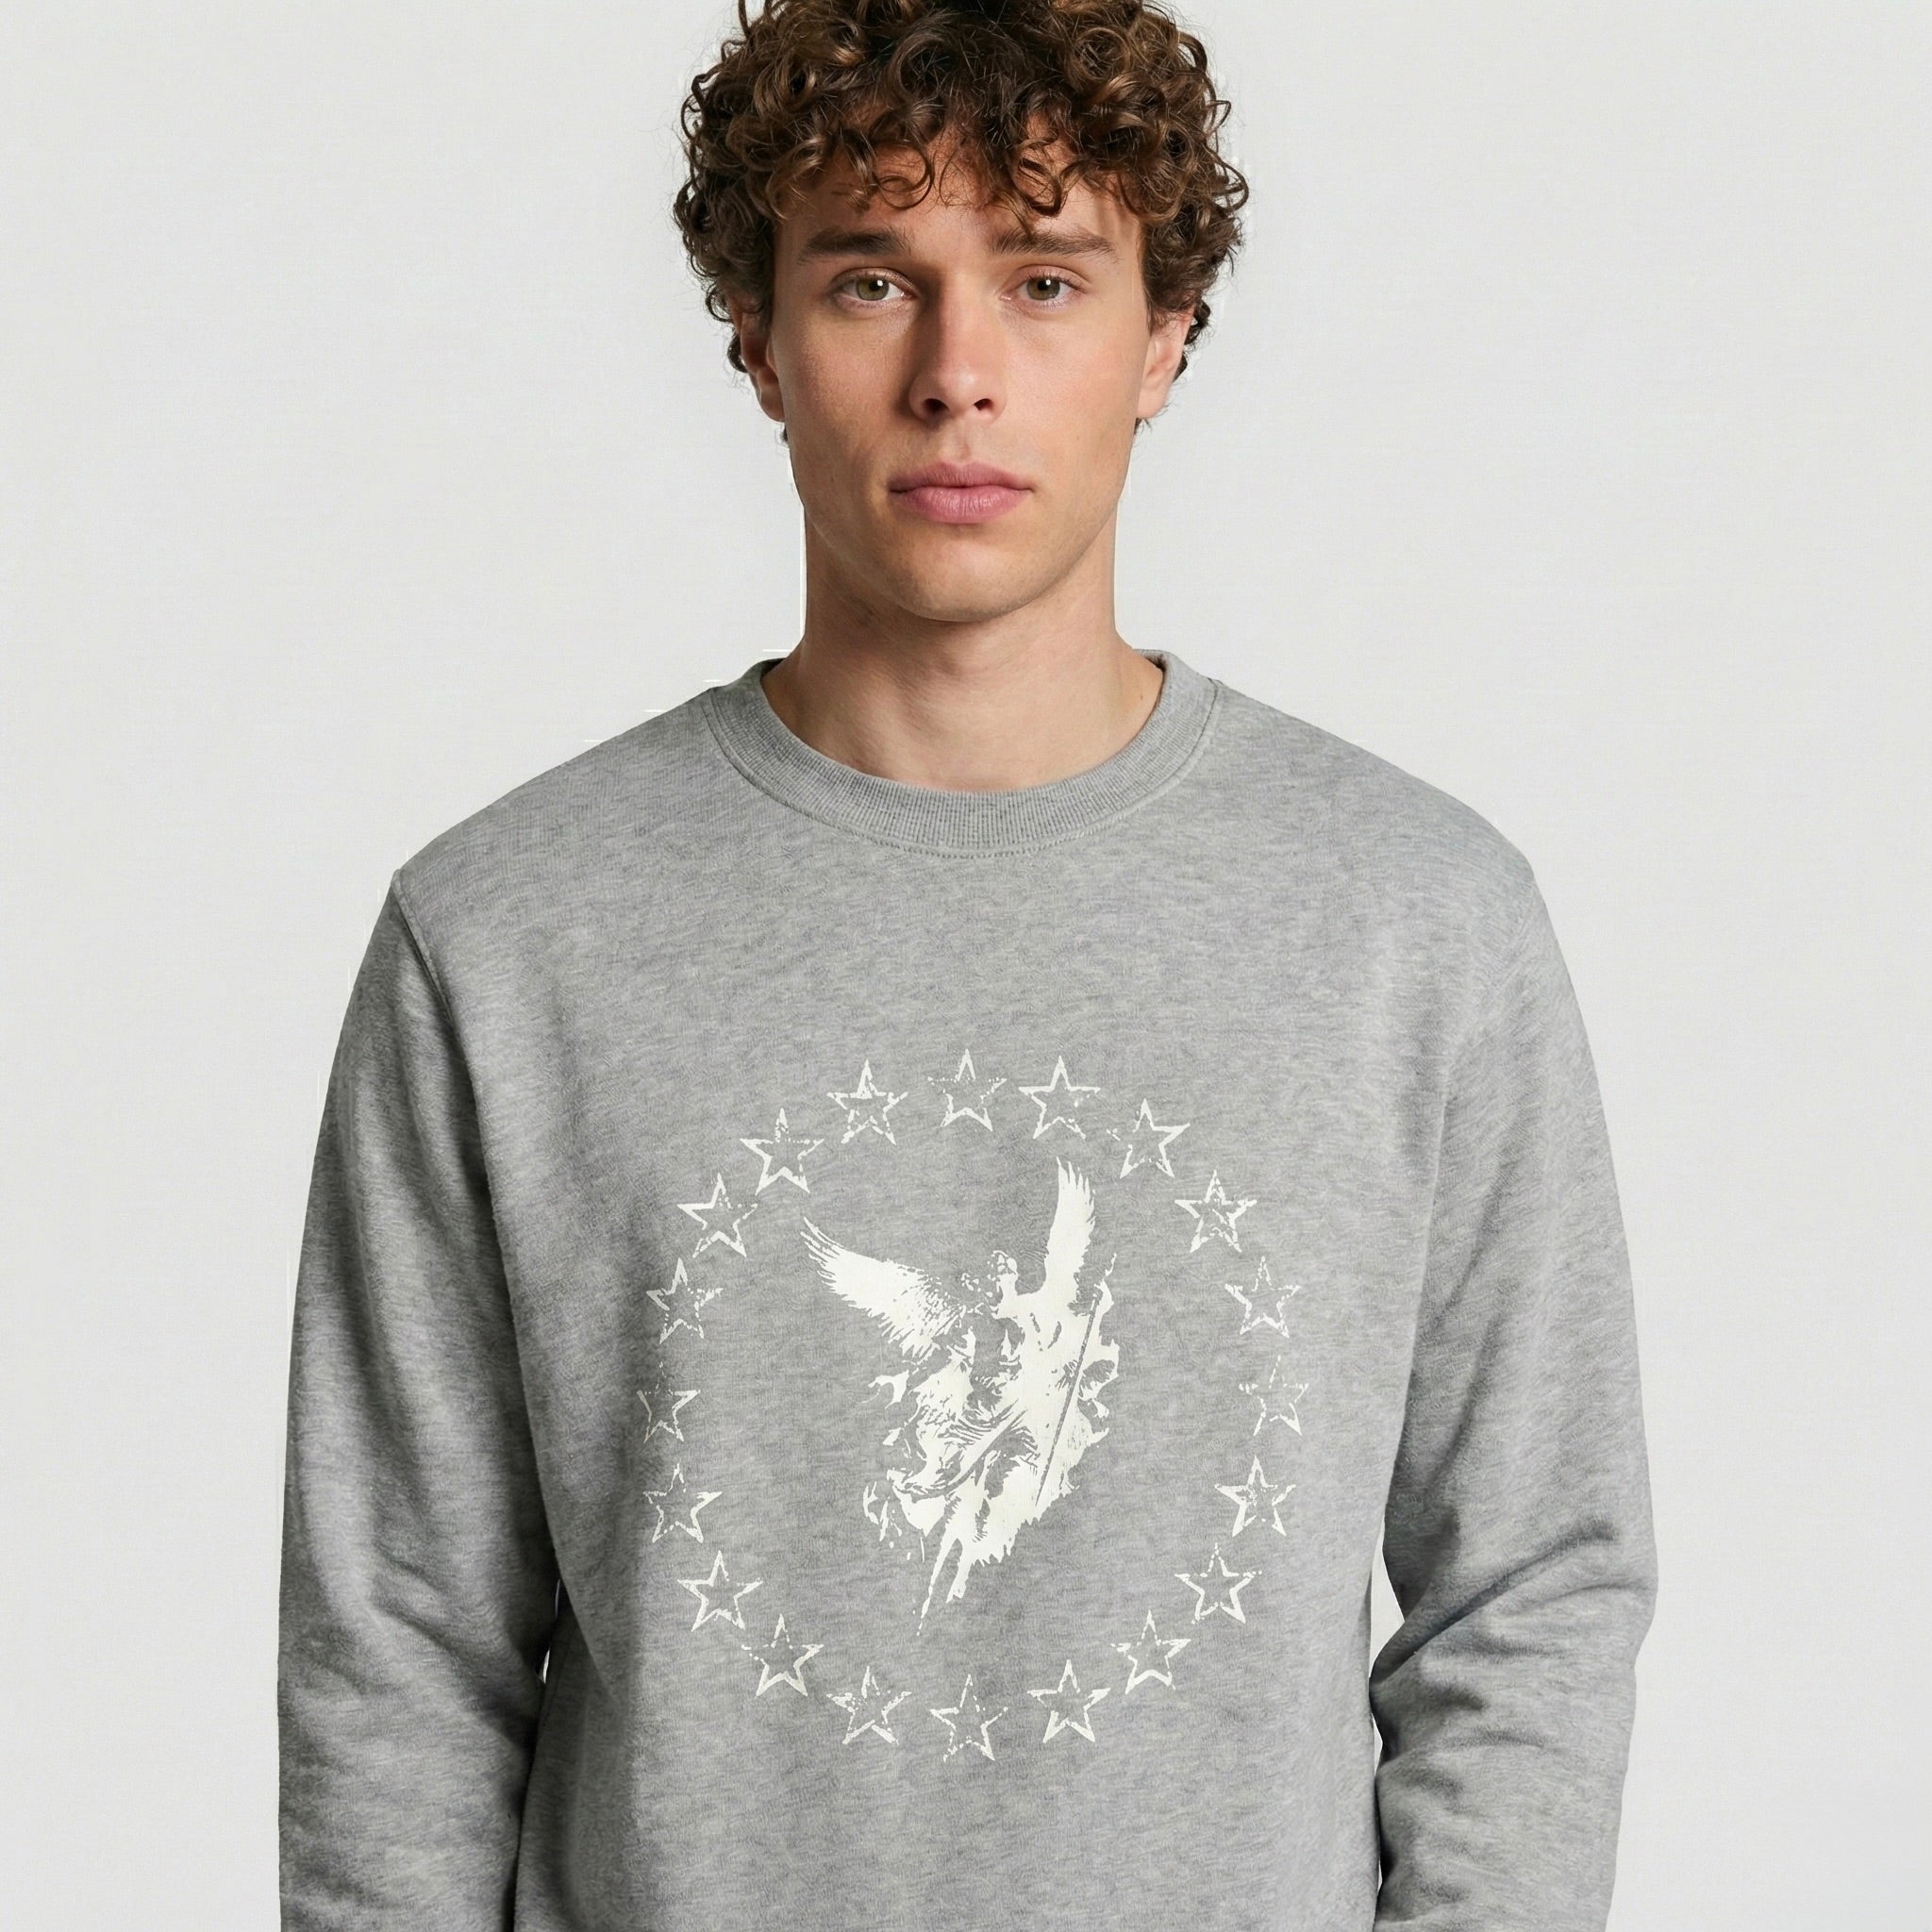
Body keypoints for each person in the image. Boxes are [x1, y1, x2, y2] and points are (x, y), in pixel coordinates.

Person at [277, 1, 1657, 1926]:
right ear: (755, 338)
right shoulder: (504, 936)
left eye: (1044, 279)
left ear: (1163, 338)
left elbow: (1532, 1584)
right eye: (870, 282)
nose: (958, 376)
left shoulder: (1416, 922)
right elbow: (397, 1646)